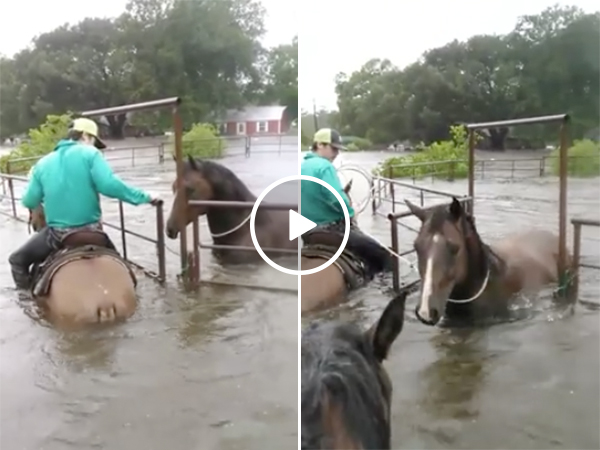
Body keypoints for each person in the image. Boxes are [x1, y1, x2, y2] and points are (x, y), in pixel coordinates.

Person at [8, 117, 160, 290]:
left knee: (17, 261)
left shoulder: (42, 164)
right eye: (95, 141)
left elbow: (29, 200)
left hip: (58, 236)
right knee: (124, 269)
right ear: (86, 136)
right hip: (94, 231)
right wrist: (145, 196)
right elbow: (109, 185)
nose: (95, 146)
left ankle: (26, 300)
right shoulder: (91, 154)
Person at [301, 128, 393, 274]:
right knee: (384, 255)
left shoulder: (302, 166)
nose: (336, 154)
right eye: (334, 149)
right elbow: (335, 197)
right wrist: (351, 212)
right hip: (330, 230)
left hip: (306, 233)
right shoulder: (325, 167)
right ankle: (386, 287)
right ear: (320, 145)